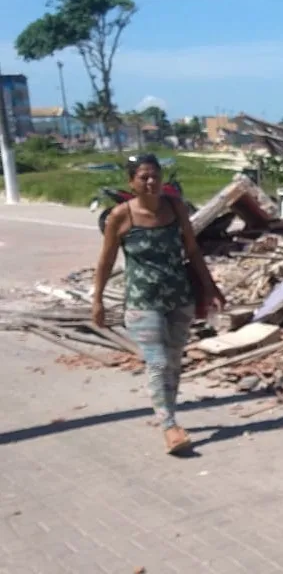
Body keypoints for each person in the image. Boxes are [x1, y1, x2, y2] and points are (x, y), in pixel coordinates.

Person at [91, 154, 225, 455]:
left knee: (175, 362)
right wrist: (97, 299)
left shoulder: (176, 208)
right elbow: (106, 260)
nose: (151, 182)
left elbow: (192, 250)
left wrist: (211, 286)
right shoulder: (120, 216)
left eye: (155, 175)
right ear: (131, 182)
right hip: (142, 302)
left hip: (180, 298)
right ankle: (169, 426)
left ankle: (169, 414)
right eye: (143, 177)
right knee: (158, 362)